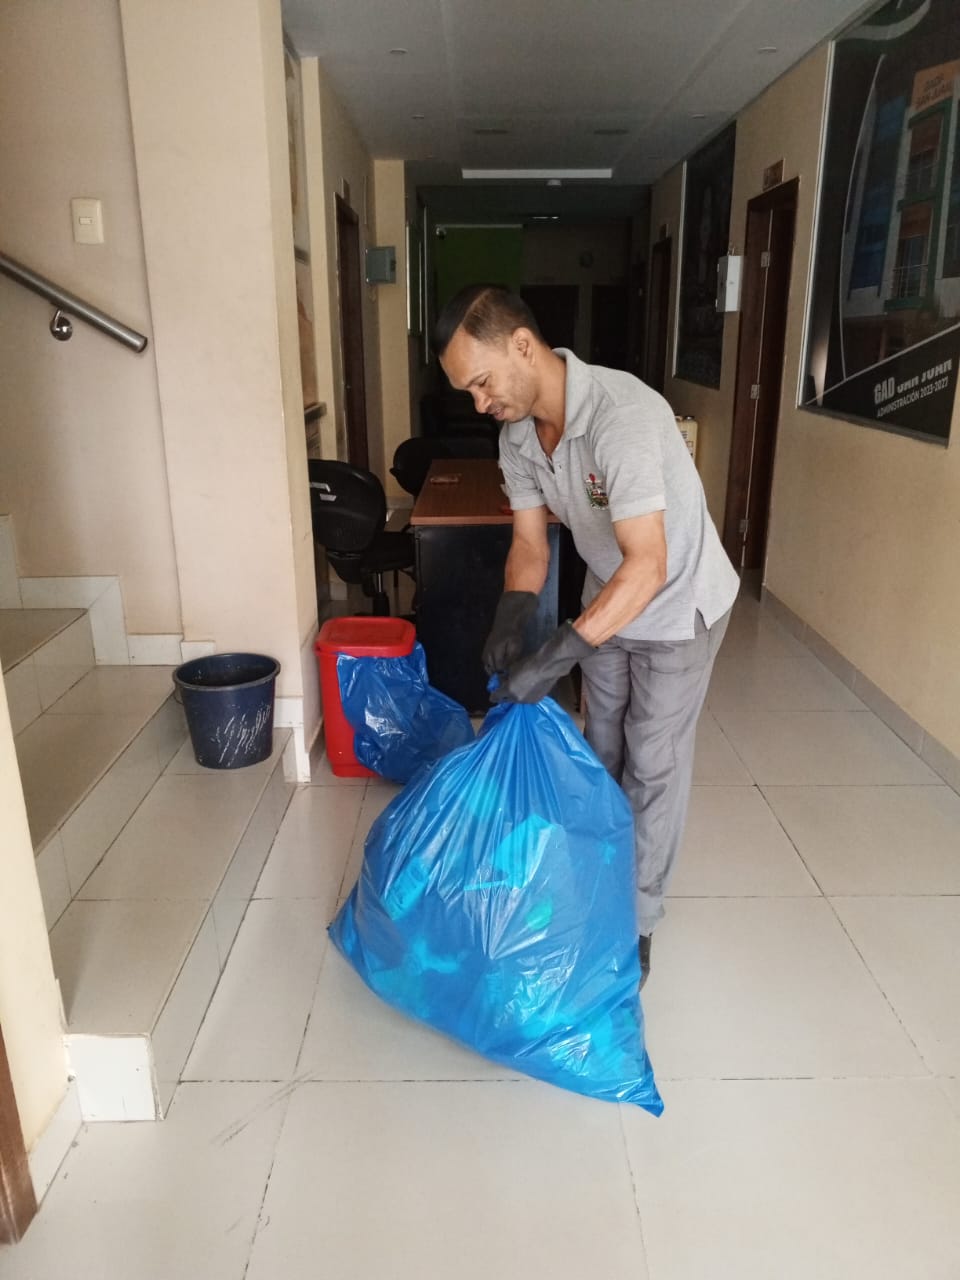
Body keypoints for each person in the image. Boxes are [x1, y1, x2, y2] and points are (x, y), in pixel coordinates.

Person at [435, 284, 740, 987]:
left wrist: (559, 654)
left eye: (481, 383)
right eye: (468, 392)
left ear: (522, 345)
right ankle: (598, 882)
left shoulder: (620, 416)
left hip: (677, 604)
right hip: (608, 598)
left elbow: (650, 565)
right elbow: (529, 544)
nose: (479, 403)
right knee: (600, 748)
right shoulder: (517, 434)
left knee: (652, 762)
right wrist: (512, 613)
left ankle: (636, 922)